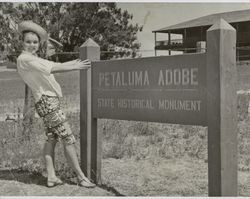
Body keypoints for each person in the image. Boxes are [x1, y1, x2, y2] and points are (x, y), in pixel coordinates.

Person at [17, 20, 95, 188]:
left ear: (39, 44)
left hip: (46, 102)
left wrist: (74, 63)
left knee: (52, 138)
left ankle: (51, 176)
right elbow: (54, 67)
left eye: (35, 42)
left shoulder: (33, 59)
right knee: (68, 138)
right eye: (28, 42)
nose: (32, 45)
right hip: (47, 102)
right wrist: (78, 65)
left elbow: (50, 65)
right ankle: (81, 177)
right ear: (22, 43)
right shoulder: (25, 59)